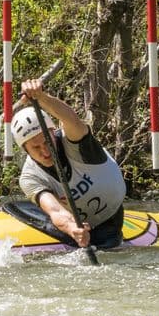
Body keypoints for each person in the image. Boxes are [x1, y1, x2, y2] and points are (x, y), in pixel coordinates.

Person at [11, 79, 126, 249]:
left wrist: (41, 97)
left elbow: (71, 119)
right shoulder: (29, 177)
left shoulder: (73, 141)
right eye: (36, 147)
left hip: (109, 221)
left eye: (47, 142)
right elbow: (55, 211)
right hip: (73, 223)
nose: (45, 151)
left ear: (53, 132)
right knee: (13, 207)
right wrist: (72, 228)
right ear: (25, 150)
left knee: (106, 240)